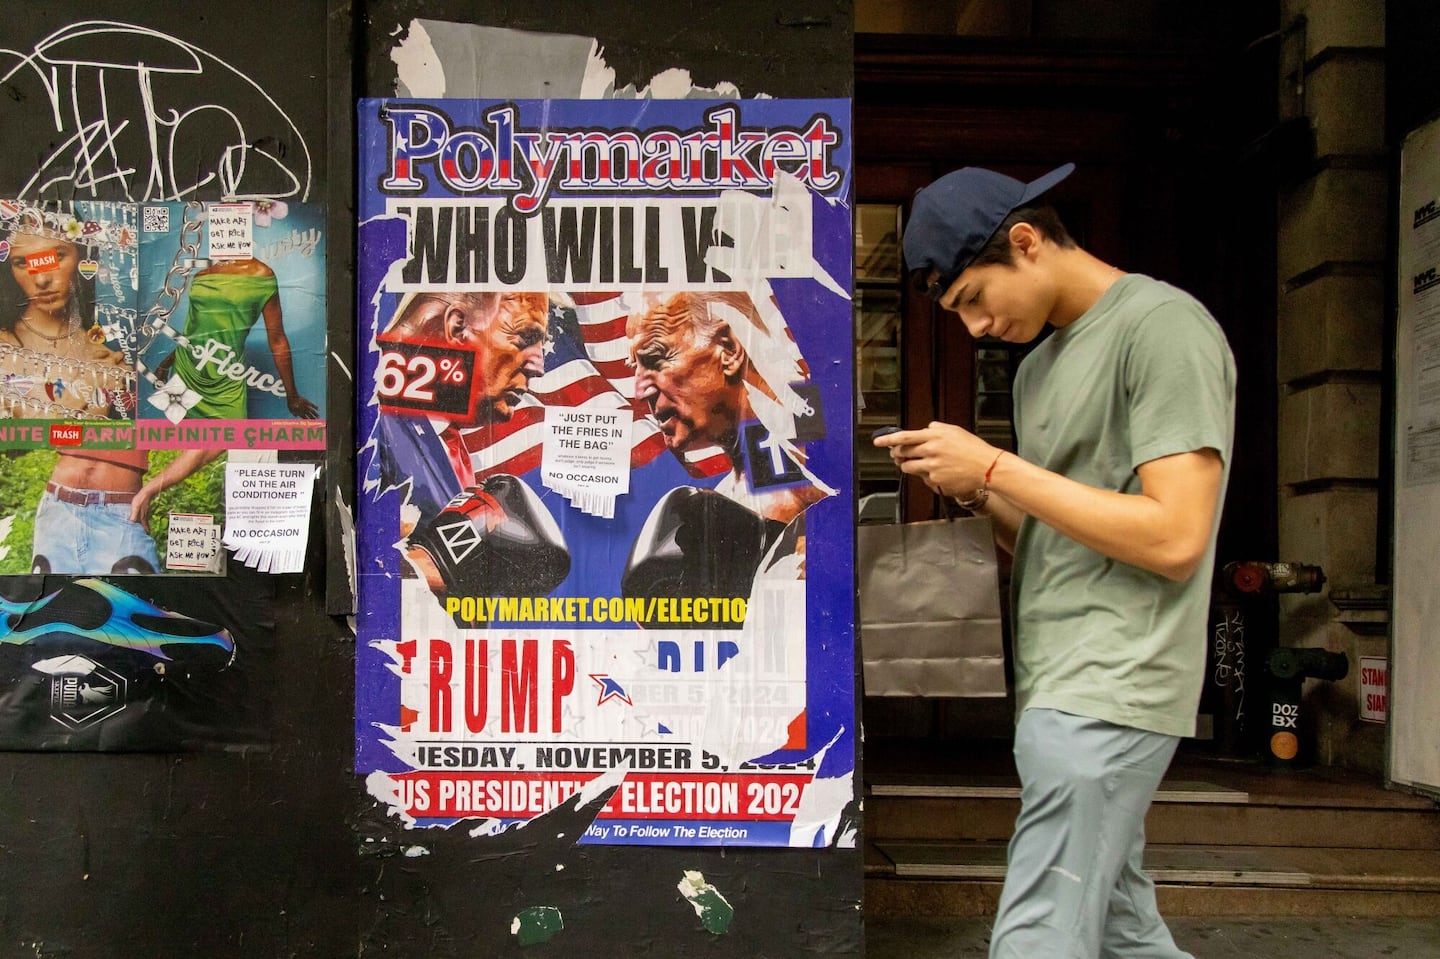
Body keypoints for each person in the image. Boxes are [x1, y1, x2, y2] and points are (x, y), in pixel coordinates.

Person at [875, 163, 1235, 959]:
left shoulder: (1163, 327)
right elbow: (1054, 535)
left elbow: (1177, 537)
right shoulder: (1039, 368)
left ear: (1028, 243)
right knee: (1120, 931)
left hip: (1113, 683)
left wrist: (999, 466)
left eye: (972, 300)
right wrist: (974, 488)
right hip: (1058, 683)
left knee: (1038, 933)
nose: (972, 329)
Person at [372, 291, 561, 598]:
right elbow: (353, 566)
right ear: (458, 327)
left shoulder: (443, 442)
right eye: (525, 337)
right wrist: (429, 566)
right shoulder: (377, 430)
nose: (538, 365)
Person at [627, 290, 827, 526]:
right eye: (635, 368)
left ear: (729, 350)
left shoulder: (816, 470)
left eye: (655, 358)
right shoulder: (739, 495)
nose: (640, 393)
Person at [154, 256, 319, 420]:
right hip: (186, 375)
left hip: (227, 379)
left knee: (232, 443)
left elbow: (277, 340)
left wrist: (292, 396)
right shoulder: (201, 275)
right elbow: (193, 335)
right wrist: (165, 364)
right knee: (184, 444)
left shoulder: (262, 275)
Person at [1, 226, 130, 419]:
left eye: (57, 257)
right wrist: (89, 383)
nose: (42, 279)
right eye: (21, 262)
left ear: (81, 256)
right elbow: (26, 440)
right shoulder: (5, 348)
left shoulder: (104, 357)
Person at [32, 447, 222, 575]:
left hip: (120, 516)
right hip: (58, 511)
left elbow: (219, 436)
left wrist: (151, 489)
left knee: (137, 623)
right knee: (47, 620)